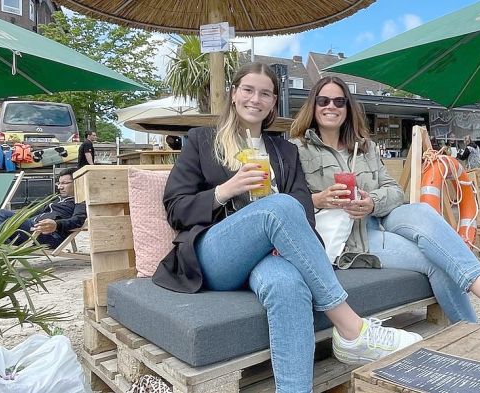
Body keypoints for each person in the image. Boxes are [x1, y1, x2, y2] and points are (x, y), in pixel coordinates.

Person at [153, 64, 419, 393]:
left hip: (269, 256)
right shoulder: (202, 140)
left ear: (273, 102)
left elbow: (304, 209)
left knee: (288, 286)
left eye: (265, 93)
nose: (256, 98)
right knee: (280, 205)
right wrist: (227, 189)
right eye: (248, 90)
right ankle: (352, 328)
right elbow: (175, 208)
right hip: (217, 254)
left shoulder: (283, 150)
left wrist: (287, 243)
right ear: (234, 94)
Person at [290, 76, 480, 333]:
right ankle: (474, 331)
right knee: (438, 261)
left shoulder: (366, 147)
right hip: (349, 238)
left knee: (421, 210)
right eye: (323, 100)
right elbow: (285, 202)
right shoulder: (298, 149)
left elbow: (394, 191)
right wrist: (318, 199)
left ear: (348, 108)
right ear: (313, 105)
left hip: (377, 219)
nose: (331, 107)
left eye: (339, 101)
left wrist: (373, 202)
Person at [0, 168, 85, 249]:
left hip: (47, 234)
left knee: (1, 213)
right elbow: (30, 213)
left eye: (65, 183)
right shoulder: (55, 199)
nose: (60, 187)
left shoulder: (80, 202)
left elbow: (77, 220)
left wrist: (56, 224)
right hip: (31, 228)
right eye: (59, 183)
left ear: (76, 183)